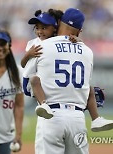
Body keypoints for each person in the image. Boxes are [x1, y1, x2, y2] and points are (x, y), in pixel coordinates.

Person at [22, 8, 104, 154]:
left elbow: (27, 87)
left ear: (58, 24)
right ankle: (96, 119)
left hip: (51, 115)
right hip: (78, 117)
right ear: (79, 31)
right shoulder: (87, 51)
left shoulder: (41, 46)